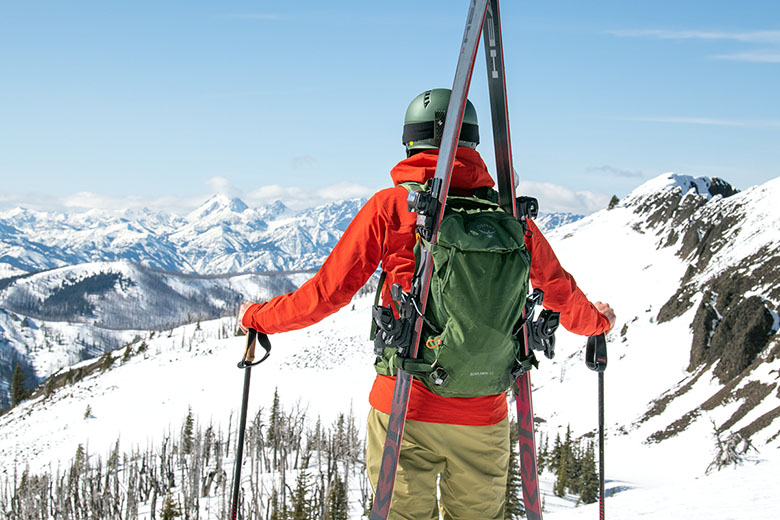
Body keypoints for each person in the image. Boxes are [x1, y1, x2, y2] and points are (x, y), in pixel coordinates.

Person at [238, 88, 616, 520]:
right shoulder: (510, 218)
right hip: (484, 412)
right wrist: (597, 323)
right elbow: (559, 291)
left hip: (405, 406)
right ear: (473, 143)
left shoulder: (393, 207)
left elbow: (325, 295)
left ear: (410, 142)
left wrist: (257, 317)